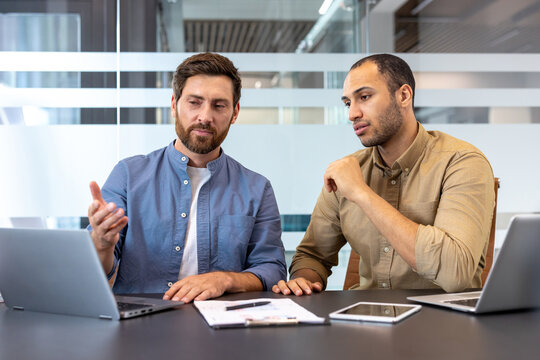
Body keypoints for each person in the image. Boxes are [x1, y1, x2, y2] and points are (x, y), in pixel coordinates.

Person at [272, 53, 495, 296]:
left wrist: (361, 194)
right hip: (366, 321)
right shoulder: (350, 170)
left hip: (441, 324)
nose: (352, 114)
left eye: (364, 97)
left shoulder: (461, 162)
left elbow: (456, 273)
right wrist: (303, 280)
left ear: (403, 95)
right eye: (348, 103)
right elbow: (312, 255)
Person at [88, 52, 286, 303]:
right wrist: (102, 243)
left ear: (234, 113)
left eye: (219, 105)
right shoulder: (128, 174)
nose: (205, 116)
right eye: (194, 102)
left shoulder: (258, 189)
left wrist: (223, 279)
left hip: (222, 329)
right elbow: (96, 271)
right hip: (139, 328)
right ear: (174, 104)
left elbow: (272, 269)